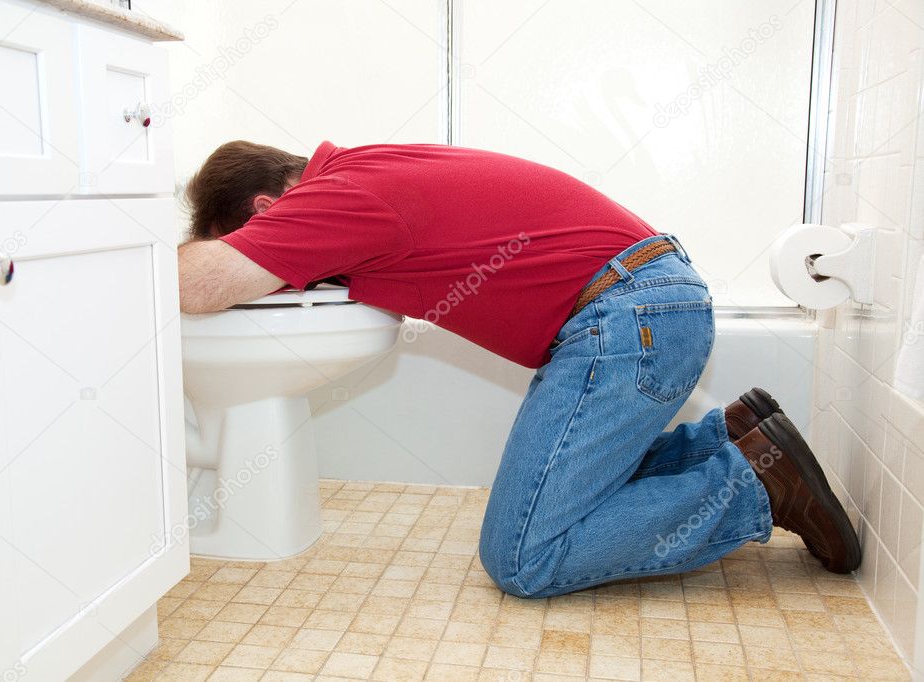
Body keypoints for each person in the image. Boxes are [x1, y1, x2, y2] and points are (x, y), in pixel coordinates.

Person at [177, 139, 861, 598]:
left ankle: (752, 488)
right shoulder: (368, 171)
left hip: (627, 322)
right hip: (641, 311)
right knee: (552, 508)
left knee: (525, 558)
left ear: (266, 211)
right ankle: (725, 443)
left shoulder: (335, 196)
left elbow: (200, 286)